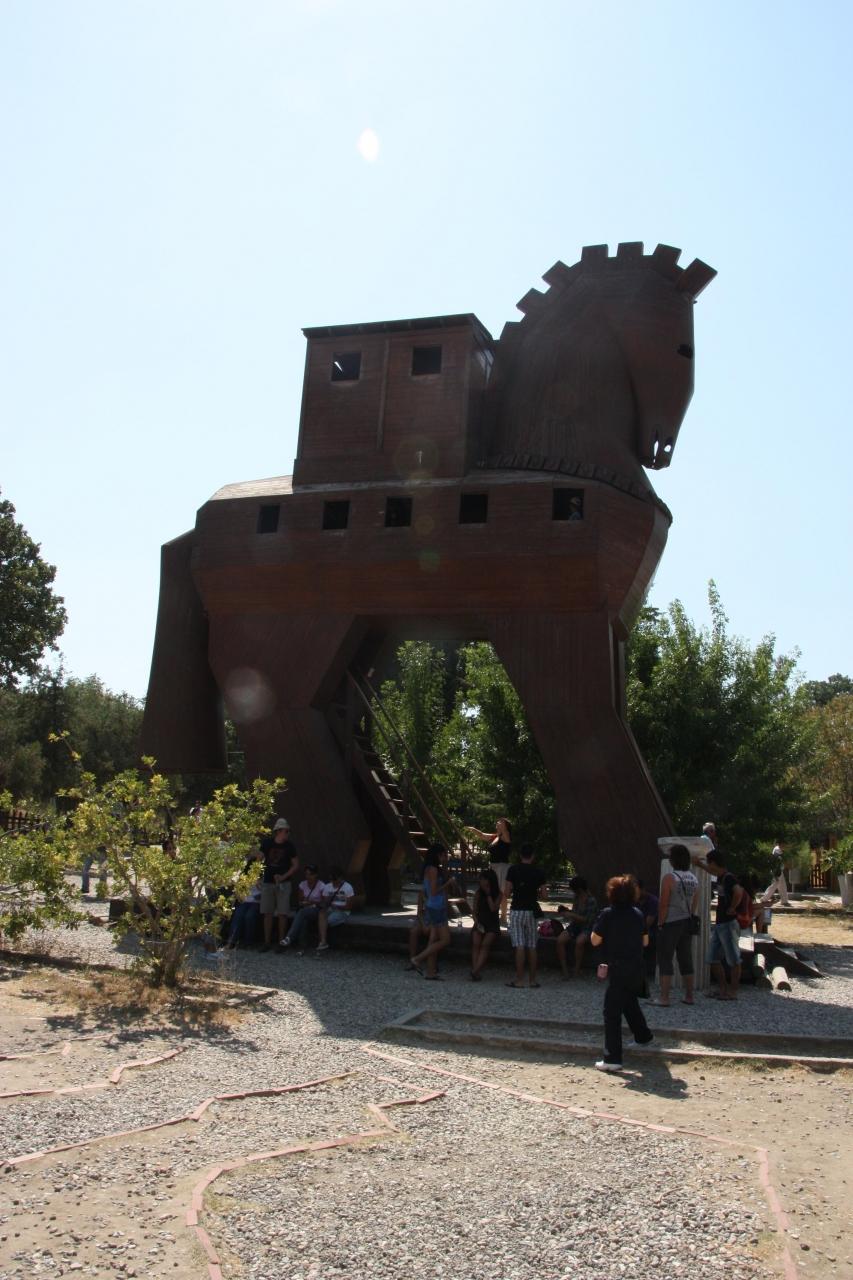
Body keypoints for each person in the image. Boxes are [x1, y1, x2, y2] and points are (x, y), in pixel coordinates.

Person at [590, 874, 654, 1071]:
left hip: (618, 967)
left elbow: (594, 940)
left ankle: (612, 1058)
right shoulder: (638, 914)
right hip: (637, 967)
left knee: (611, 1012)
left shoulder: (607, 914)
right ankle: (643, 1036)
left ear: (612, 893)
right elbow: (645, 942)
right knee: (628, 1001)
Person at [691, 846, 745, 1000]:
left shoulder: (728, 878)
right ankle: (723, 989)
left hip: (729, 924)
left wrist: (733, 907)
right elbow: (711, 871)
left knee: (734, 960)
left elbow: (739, 892)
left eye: (709, 863)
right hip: (720, 924)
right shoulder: (721, 876)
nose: (709, 866)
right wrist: (700, 864)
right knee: (712, 958)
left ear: (714, 862)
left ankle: (733, 992)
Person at [656, 844, 699, 1006]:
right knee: (685, 958)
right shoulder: (694, 879)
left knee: (665, 958)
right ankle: (689, 995)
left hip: (671, 921)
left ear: (673, 860)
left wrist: (660, 922)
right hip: (686, 921)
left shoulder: (669, 878)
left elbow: (663, 903)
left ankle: (664, 997)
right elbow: (694, 904)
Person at [502, 844, 548, 989]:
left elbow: (506, 893)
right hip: (532, 910)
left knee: (519, 945)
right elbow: (545, 895)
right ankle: (532, 980)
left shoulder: (513, 870)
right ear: (533, 856)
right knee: (532, 946)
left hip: (517, 910)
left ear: (520, 855)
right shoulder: (539, 872)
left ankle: (519, 980)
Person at [412, 845, 457, 979]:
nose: (445, 858)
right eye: (443, 855)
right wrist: (448, 883)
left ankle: (430, 972)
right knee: (445, 940)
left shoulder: (429, 868)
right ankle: (418, 959)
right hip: (436, 907)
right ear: (438, 855)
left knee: (434, 939)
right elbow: (433, 891)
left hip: (435, 906)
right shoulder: (433, 869)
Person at [258, 819, 299, 951]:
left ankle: (281, 942)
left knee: (283, 913)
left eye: (288, 831)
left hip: (284, 883)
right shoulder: (267, 843)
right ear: (279, 831)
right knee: (267, 913)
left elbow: (295, 865)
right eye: (286, 831)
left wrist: (283, 877)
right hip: (268, 882)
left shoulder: (290, 846)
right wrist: (257, 877)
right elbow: (258, 860)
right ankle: (266, 942)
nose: (288, 834)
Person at [466, 817, 513, 920]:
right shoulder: (495, 836)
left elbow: (505, 830)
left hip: (502, 866)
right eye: (498, 821)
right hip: (493, 866)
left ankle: (503, 917)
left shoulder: (506, 836)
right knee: (492, 889)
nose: (498, 822)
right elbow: (482, 835)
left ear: (505, 826)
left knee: (502, 892)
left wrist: (504, 824)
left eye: (501, 822)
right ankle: (493, 912)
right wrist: (473, 829)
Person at [555, 875, 598, 979]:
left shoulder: (591, 901)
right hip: (575, 925)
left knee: (579, 942)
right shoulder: (576, 898)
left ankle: (577, 969)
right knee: (560, 940)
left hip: (587, 927)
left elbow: (588, 920)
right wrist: (567, 913)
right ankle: (564, 969)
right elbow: (575, 914)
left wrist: (572, 915)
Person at [281, 865, 327, 950]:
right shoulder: (302, 884)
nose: (308, 876)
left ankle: (289, 937)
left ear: (316, 875)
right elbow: (300, 900)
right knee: (303, 918)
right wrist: (304, 903)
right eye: (306, 874)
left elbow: (323, 903)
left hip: (316, 910)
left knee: (302, 913)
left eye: (311, 874)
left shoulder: (321, 885)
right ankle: (302, 944)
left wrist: (312, 902)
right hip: (305, 909)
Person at [470, 868, 501, 981]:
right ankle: (475, 971)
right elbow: (474, 912)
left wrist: (488, 895)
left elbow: (493, 908)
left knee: (485, 945)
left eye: (484, 879)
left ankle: (475, 971)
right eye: (481, 879)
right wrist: (477, 922)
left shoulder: (499, 894)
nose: (482, 882)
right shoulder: (478, 893)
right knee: (476, 944)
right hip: (480, 922)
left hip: (492, 924)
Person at [316, 866, 355, 953]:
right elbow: (324, 903)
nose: (333, 882)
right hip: (330, 909)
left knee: (327, 921)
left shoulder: (348, 887)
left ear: (340, 878)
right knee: (321, 914)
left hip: (342, 911)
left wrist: (336, 906)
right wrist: (325, 902)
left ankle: (323, 941)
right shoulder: (328, 887)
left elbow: (349, 907)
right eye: (331, 879)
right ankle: (323, 942)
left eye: (335, 879)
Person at [637, 879, 659, 984]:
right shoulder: (633, 901)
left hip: (652, 931)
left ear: (642, 889)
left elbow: (648, 923)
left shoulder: (653, 901)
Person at [762, 842, 790, 907]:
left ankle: (784, 901)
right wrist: (776, 874)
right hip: (776, 871)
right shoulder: (777, 850)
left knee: (782, 886)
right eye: (783, 845)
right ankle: (764, 899)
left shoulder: (779, 850)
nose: (784, 846)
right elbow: (776, 862)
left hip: (779, 871)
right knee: (774, 885)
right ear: (780, 844)